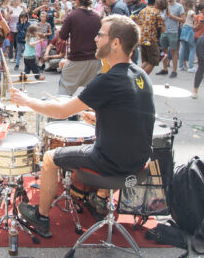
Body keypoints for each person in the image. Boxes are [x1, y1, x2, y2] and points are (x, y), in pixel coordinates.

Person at [10, 14, 155, 237]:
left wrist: (26, 101)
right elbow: (130, 115)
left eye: (100, 34)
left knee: (49, 158)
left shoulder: (107, 80)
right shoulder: (141, 75)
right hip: (140, 162)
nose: (95, 39)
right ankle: (99, 199)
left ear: (115, 43)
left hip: (111, 163)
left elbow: (61, 111)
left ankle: (41, 217)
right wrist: (98, 117)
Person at [58, 0, 102, 96]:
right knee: (93, 93)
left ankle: (64, 113)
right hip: (95, 60)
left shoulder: (72, 15)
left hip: (77, 59)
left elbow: (63, 36)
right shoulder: (98, 16)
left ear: (77, 0)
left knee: (65, 91)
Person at [156, 0, 185, 78]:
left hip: (173, 32)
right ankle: (165, 69)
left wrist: (173, 17)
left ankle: (174, 70)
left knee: (173, 51)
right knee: (164, 51)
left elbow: (183, 19)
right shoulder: (164, 6)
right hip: (164, 31)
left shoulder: (179, 6)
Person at [133, 0, 165, 74]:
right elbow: (162, 28)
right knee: (153, 61)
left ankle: (136, 75)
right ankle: (140, 78)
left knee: (146, 60)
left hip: (142, 39)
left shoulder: (143, 11)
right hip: (151, 39)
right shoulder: (157, 12)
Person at [178, 0, 196, 72]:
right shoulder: (192, 12)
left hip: (184, 28)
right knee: (192, 47)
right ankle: (191, 66)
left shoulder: (185, 11)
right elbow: (196, 19)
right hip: (190, 28)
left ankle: (180, 65)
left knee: (183, 47)